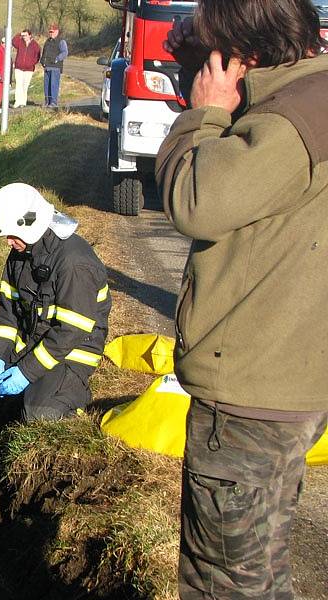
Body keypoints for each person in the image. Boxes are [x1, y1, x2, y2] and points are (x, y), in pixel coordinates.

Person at [155, 1, 328, 597]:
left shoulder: (287, 124)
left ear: (241, 56)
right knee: (260, 571)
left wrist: (204, 114)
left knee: (222, 582)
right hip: (289, 388)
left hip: (249, 398)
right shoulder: (315, 100)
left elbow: (196, 200)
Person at [0, 183, 111, 471]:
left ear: (29, 224)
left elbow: (70, 333)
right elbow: (8, 312)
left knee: (40, 413)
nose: (8, 242)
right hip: (25, 342)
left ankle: (71, 399)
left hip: (69, 354)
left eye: (11, 235)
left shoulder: (75, 262)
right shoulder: (21, 254)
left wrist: (26, 373)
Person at [40, 24, 68, 108]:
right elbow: (44, 52)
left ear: (57, 31)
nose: (51, 33)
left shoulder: (61, 41)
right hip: (47, 66)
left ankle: (53, 102)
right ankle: (47, 102)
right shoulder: (47, 41)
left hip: (55, 67)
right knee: (46, 86)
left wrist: (56, 59)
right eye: (50, 32)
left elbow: (65, 52)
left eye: (52, 31)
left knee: (54, 85)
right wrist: (42, 61)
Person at [11, 29, 41, 108]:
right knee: (18, 85)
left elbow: (37, 56)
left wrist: (31, 63)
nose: (24, 37)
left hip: (29, 69)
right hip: (19, 68)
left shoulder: (35, 45)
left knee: (25, 85)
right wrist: (19, 34)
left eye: (26, 35)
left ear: (30, 35)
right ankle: (17, 101)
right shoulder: (20, 42)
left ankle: (23, 102)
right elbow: (13, 41)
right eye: (23, 35)